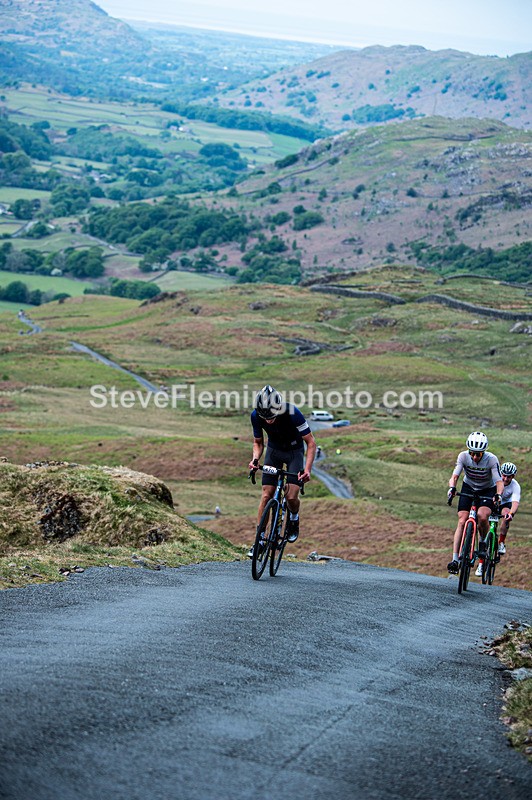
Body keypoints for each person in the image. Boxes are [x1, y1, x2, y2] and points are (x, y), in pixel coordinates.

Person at [248, 385, 316, 557]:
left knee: (291, 496)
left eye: (272, 416)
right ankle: (260, 540)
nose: (268, 420)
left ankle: (293, 518)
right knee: (266, 495)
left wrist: (307, 470)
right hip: (274, 451)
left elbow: (311, 443)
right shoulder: (256, 415)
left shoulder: (293, 412)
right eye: (265, 417)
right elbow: (258, 442)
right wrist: (255, 460)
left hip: (294, 452)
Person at [446, 431, 503, 576]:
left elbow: (498, 482)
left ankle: (483, 542)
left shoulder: (491, 459)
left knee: (482, 517)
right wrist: (452, 488)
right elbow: (455, 476)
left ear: (484, 452)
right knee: (462, 520)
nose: (475, 457)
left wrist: (498, 495)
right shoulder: (463, 456)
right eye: (472, 453)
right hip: (469, 487)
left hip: (487, 490)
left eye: (479, 454)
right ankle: (455, 560)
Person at [497, 461, 521, 556]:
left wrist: (511, 514)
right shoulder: (495, 480)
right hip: (493, 502)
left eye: (509, 476)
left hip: (505, 504)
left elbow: (515, 502)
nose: (506, 479)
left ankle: (501, 542)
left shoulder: (515, 486)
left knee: (506, 515)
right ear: (500, 473)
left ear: (513, 477)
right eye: (504, 475)